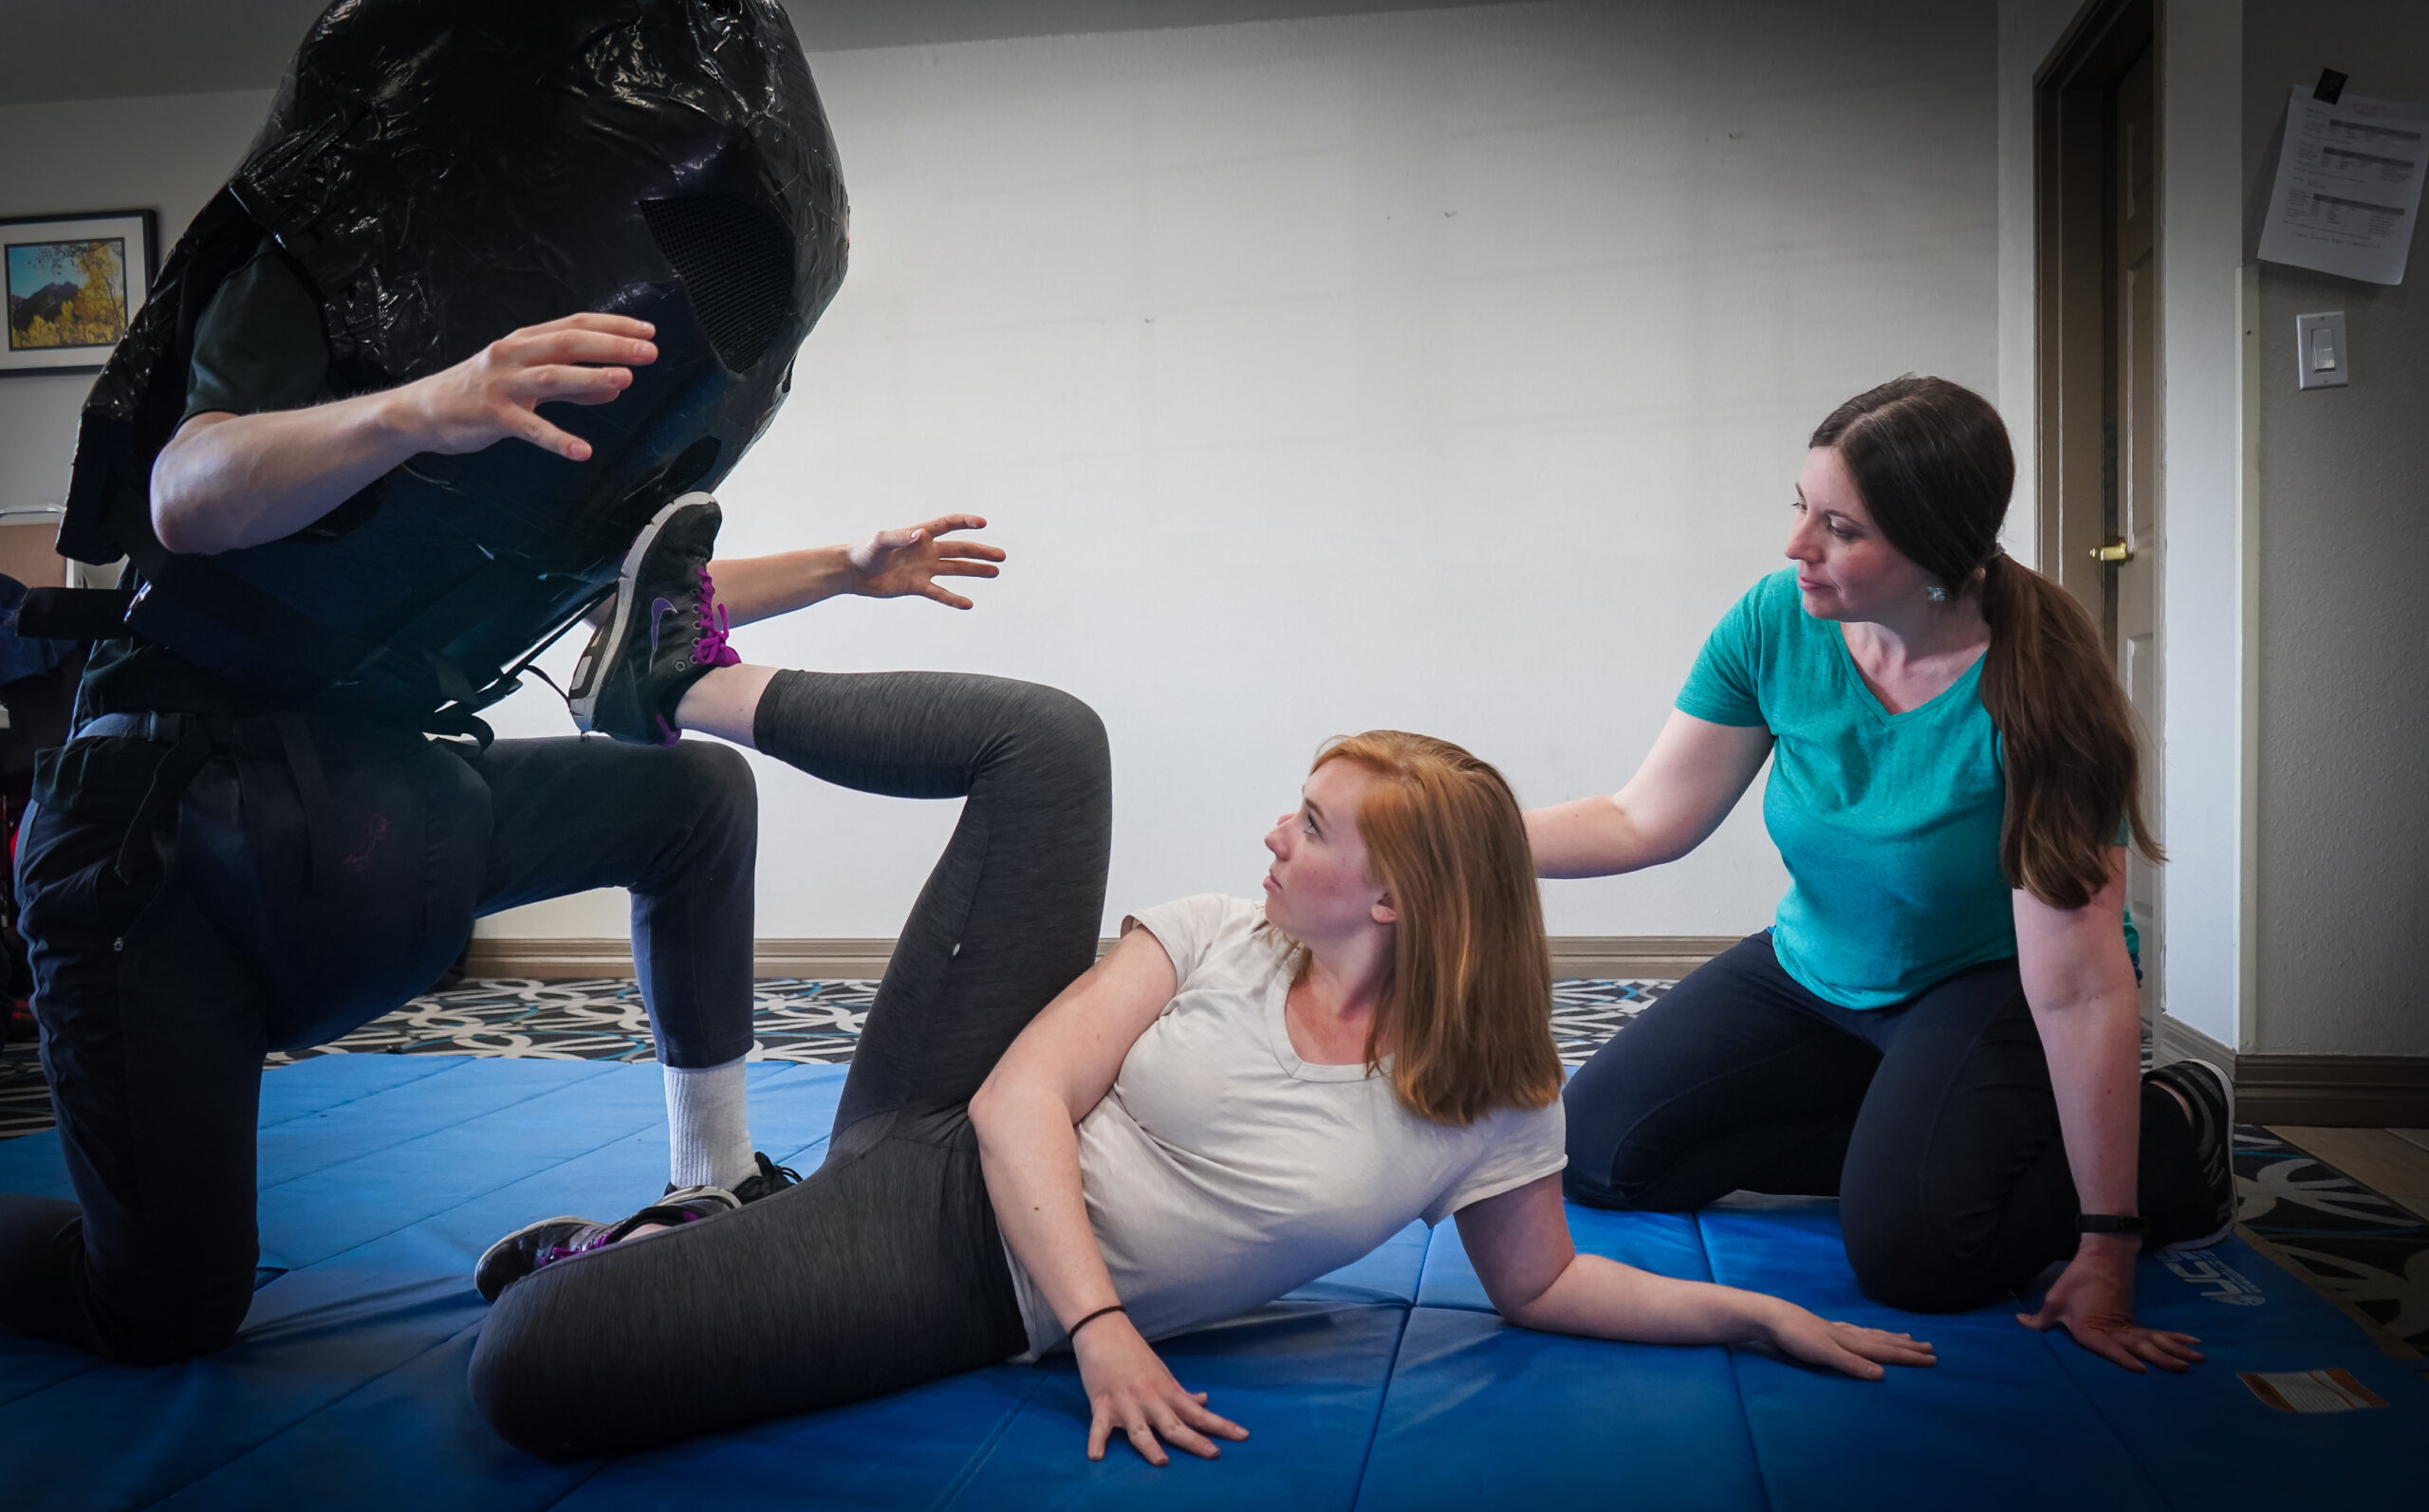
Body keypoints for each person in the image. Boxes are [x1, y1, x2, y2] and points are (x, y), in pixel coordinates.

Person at [0, 233, 1002, 1364]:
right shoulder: (289, 293)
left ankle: (711, 1179)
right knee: (164, 1308)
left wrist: (845, 568)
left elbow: (621, 606)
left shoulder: (508, 432)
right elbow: (184, 496)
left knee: (692, 793)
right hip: (155, 856)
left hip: (377, 811)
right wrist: (424, 406)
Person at [466, 730, 1935, 1464]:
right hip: (949, 1183)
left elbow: (1541, 1281)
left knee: (534, 1364)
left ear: (1404, 895)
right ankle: (687, 675)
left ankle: (689, 1230)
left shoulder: (1492, 1088)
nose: (1274, 835)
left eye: (1312, 822)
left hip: (975, 1284)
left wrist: (1750, 1310)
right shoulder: (1221, 927)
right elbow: (1014, 1099)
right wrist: (1105, 1330)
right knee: (1049, 740)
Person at [1526, 376, 2234, 1375]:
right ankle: (1909, 1122)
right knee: (1596, 1150)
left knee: (1918, 1256)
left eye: (1840, 529)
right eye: (1800, 508)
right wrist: (1450, 836)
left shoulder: (2043, 690)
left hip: (1987, 981)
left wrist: (2109, 1235)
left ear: (1938, 550)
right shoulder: (1776, 619)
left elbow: (2073, 985)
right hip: (1817, 965)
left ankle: (2170, 1131)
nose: (1795, 547)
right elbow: (1645, 817)